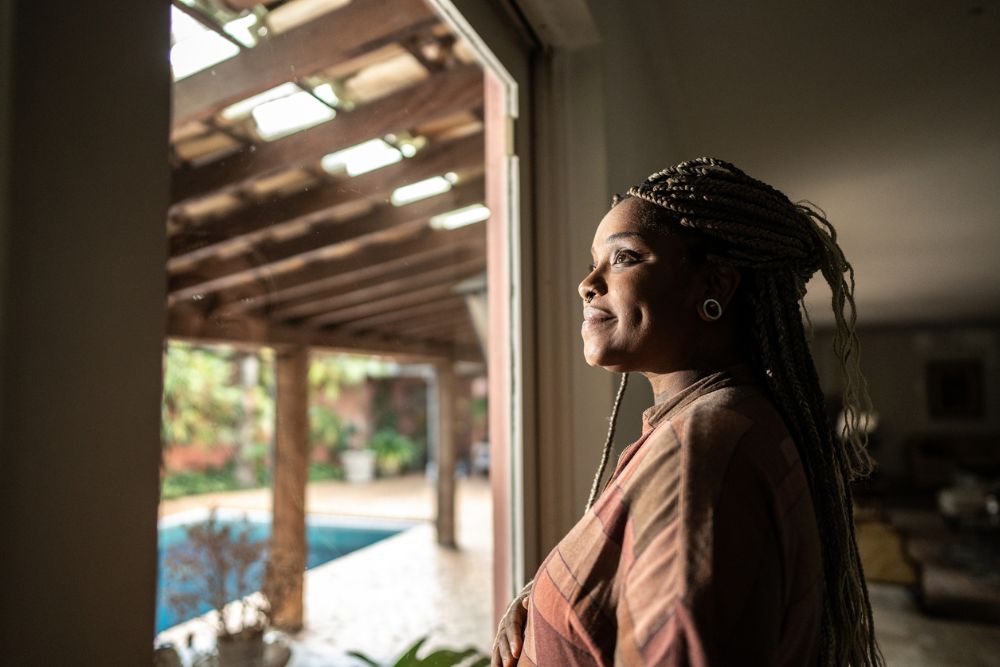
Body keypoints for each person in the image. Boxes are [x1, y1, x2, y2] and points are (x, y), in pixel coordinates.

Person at [490, 158, 884, 666]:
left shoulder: (702, 453)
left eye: (624, 257)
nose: (588, 283)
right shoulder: (717, 425)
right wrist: (542, 606)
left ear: (715, 285)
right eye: (593, 262)